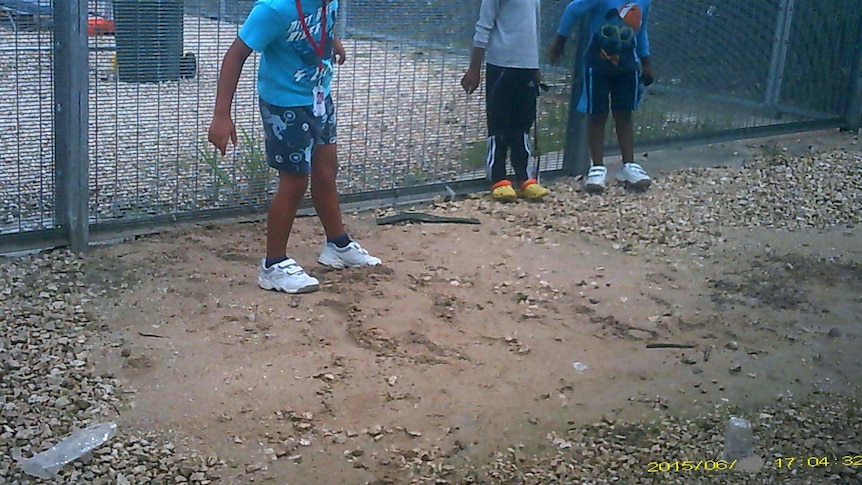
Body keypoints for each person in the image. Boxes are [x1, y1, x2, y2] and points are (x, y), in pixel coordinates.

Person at [208, 0, 381, 295]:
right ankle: (273, 264)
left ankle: (337, 245)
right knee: (294, 181)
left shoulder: (330, 2)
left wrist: (332, 41)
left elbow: (321, 24)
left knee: (326, 171)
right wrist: (221, 115)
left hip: (319, 98)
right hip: (284, 104)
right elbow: (236, 55)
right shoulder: (274, 9)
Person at [549, 0, 654, 193]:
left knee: (624, 114)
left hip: (628, 65)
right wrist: (560, 40)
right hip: (597, 65)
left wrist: (646, 61)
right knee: (597, 113)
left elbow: (642, 28)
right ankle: (597, 167)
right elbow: (573, 9)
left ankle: (629, 165)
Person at [461, 0, 550, 202]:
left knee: (523, 122)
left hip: (526, 65)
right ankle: (498, 176)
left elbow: (534, 27)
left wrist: (535, 65)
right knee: (499, 122)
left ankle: (524, 176)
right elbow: (484, 25)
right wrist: (474, 68)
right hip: (501, 63)